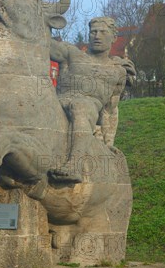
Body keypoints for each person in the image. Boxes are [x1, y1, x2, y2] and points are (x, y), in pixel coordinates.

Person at [50, 17, 135, 182]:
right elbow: (45, 45)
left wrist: (108, 143)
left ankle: (75, 165)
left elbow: (110, 110)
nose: (97, 36)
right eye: (93, 32)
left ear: (113, 38)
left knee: (81, 106)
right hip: (58, 103)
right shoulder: (71, 54)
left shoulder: (117, 71)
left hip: (86, 108)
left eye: (103, 32)